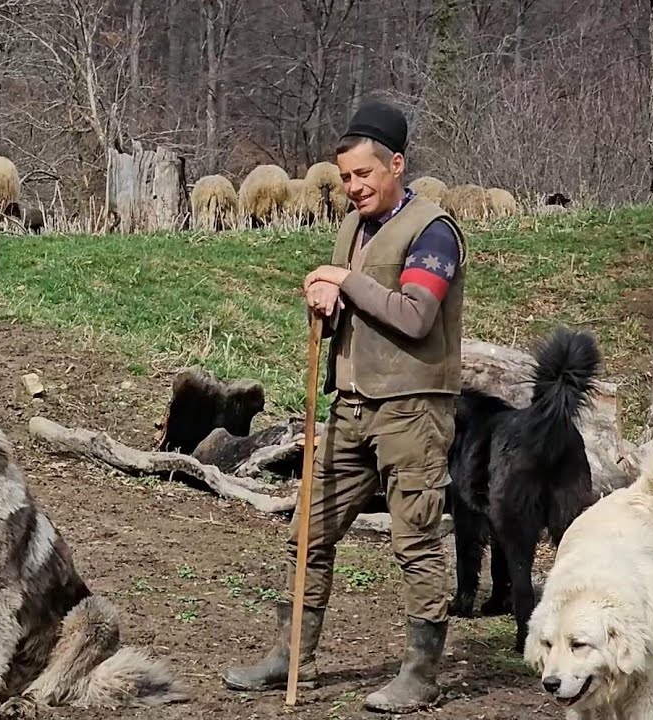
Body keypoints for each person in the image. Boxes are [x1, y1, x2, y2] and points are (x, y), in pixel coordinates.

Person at [221, 99, 466, 714]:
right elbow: (350, 313)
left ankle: (420, 674)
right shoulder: (353, 228)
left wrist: (344, 280)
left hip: (412, 410)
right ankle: (290, 657)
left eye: (364, 174)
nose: (353, 187)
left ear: (397, 165)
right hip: (351, 407)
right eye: (346, 177)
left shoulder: (434, 231)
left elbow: (415, 316)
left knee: (416, 542)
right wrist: (324, 306)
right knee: (308, 532)